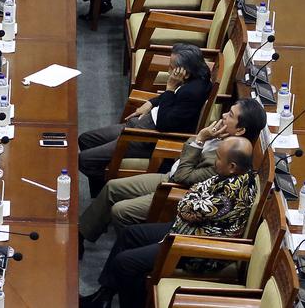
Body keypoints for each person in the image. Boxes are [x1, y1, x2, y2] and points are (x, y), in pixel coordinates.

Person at [80, 137, 258, 308]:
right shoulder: (237, 173)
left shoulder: (231, 195)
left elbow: (186, 207)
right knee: (129, 234)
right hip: (188, 229)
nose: (215, 162)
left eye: (218, 158)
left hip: (196, 247)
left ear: (232, 166)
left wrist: (192, 197)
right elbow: (196, 191)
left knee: (125, 263)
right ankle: (103, 297)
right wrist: (193, 197)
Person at [79, 99, 266, 245]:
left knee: (121, 211)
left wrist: (200, 139)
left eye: (230, 115)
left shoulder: (231, 157)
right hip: (170, 175)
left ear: (241, 129)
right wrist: (201, 140)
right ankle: (82, 235)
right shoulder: (218, 133)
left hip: (177, 190)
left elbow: (183, 177)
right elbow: (186, 152)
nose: (224, 115)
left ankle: (127, 249)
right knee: (112, 187)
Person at [79, 44, 211, 197]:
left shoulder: (191, 93)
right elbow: (174, 96)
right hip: (143, 123)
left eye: (171, 67)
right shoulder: (197, 75)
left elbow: (164, 124)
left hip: (147, 137)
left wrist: (169, 87)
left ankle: (104, 195)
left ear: (185, 73)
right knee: (86, 139)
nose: (169, 71)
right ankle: (100, 190)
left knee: (85, 160)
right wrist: (151, 102)